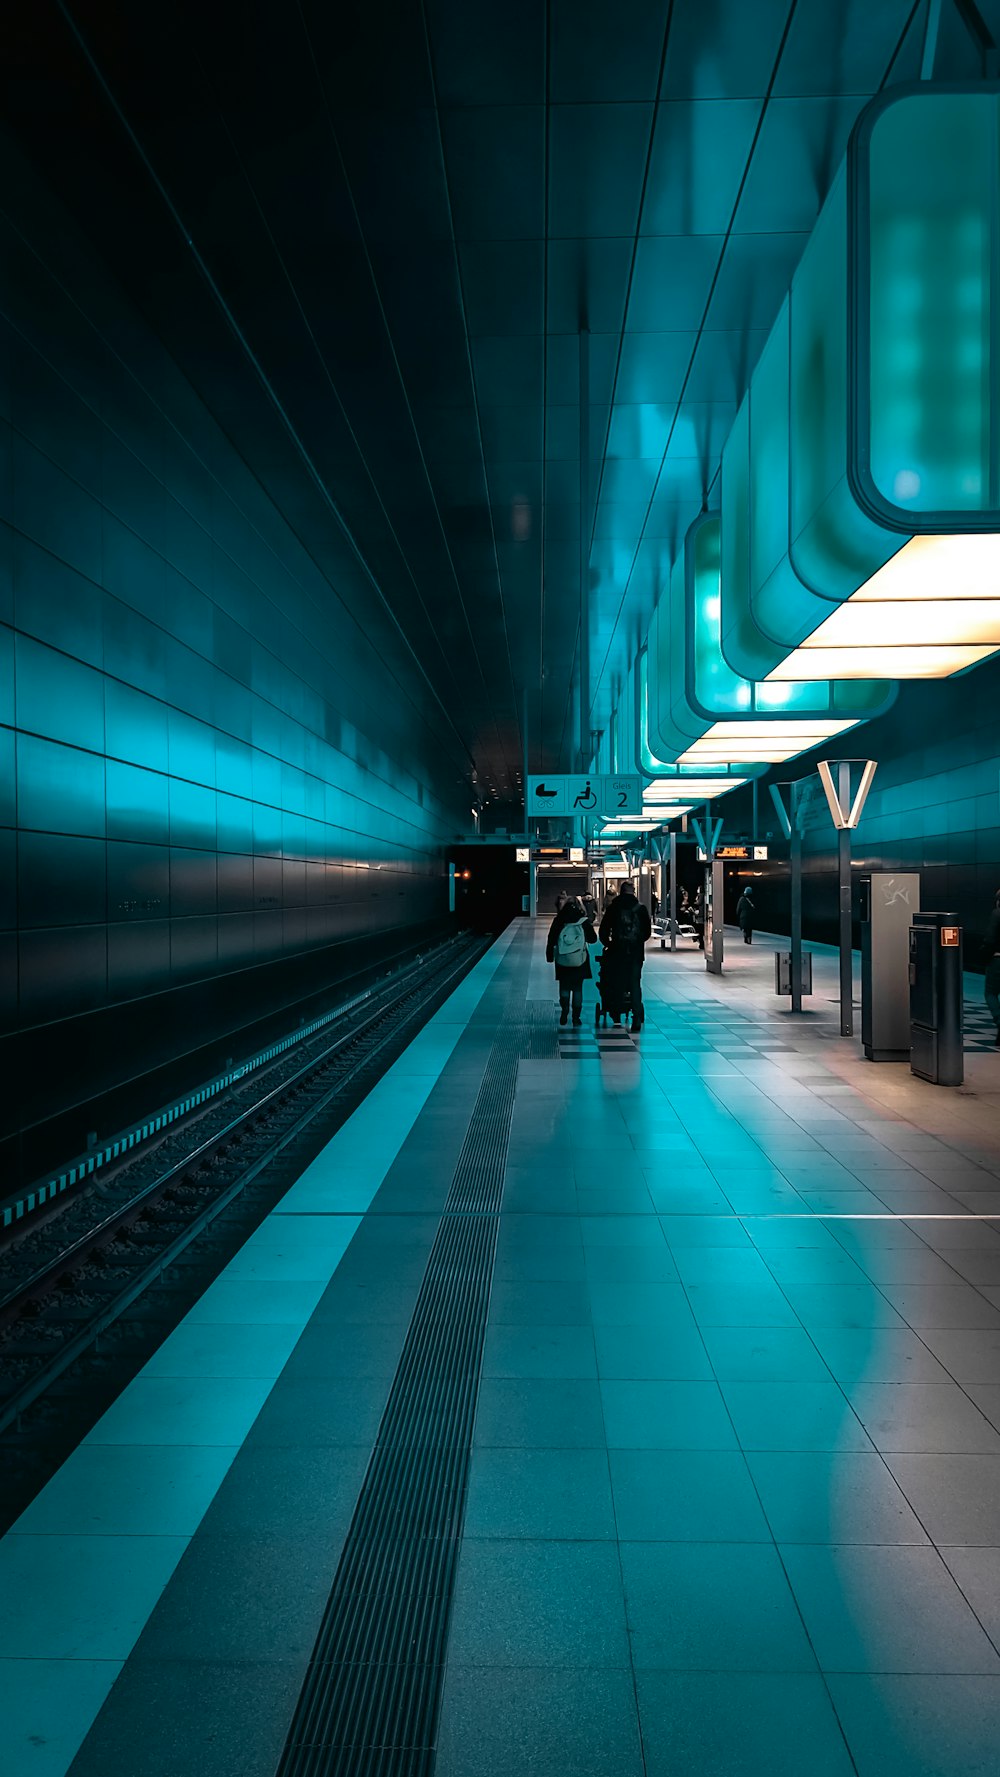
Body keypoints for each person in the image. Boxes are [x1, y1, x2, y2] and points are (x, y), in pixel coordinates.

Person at [598, 878, 652, 1030]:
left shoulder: (613, 907)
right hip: (635, 954)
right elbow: (647, 932)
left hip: (617, 952)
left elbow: (603, 931)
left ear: (621, 892)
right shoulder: (641, 908)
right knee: (635, 983)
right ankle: (636, 1017)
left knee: (618, 982)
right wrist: (638, 942)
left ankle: (616, 1014)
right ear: (633, 891)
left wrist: (609, 944)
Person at [546, 895, 597, 1026]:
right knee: (577, 988)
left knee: (564, 985)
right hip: (580, 958)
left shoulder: (559, 920)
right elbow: (593, 939)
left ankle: (564, 1011)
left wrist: (549, 956)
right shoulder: (583, 921)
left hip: (563, 958)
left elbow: (551, 938)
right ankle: (576, 1017)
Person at [985, 889, 1000, 1047]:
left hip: (997, 959)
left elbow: (990, 938)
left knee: (990, 993)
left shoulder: (997, 914)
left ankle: (998, 1019)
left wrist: (984, 956)